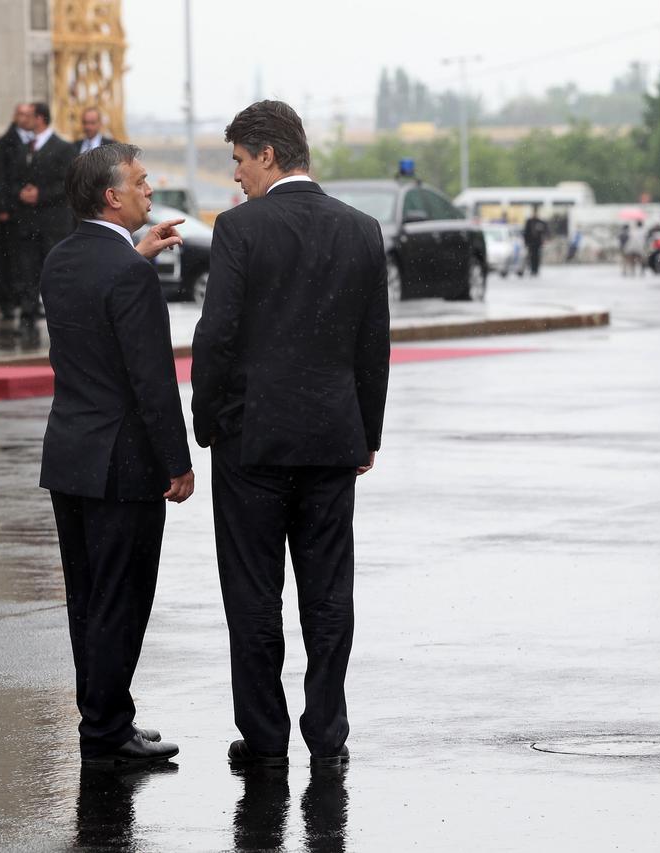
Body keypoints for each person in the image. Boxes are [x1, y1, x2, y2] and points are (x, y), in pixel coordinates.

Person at [191, 100, 390, 769]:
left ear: (268, 155)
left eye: (240, 161)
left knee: (253, 593)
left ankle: (265, 736)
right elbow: (373, 344)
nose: (236, 175)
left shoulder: (239, 229)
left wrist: (208, 423)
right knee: (329, 593)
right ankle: (327, 731)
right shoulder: (360, 229)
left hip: (252, 442)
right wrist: (367, 431)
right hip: (333, 439)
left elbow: (216, 336)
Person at [38, 143, 192, 766]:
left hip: (70, 454)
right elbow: (151, 379)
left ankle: (105, 719)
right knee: (121, 602)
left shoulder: (61, 258)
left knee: (87, 599)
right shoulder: (129, 274)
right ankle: (106, 733)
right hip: (122, 463)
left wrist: (134, 254)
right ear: (112, 196)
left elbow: (94, 314)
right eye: (140, 182)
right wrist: (178, 461)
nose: (149, 190)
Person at [12, 102, 75, 342]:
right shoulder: (24, 147)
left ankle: (62, 321)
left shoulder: (63, 148)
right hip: (28, 224)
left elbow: (67, 184)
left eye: (28, 116)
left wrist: (41, 194)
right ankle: (27, 316)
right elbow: (14, 178)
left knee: (56, 274)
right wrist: (20, 192)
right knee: (27, 272)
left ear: (40, 118)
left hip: (53, 225)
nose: (23, 120)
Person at [0, 103, 35, 329]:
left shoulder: (34, 141)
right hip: (12, 210)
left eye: (29, 115)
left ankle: (27, 301)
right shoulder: (5, 143)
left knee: (27, 261)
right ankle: (7, 302)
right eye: (22, 114)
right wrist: (2, 207)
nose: (26, 118)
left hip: (30, 212)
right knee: (9, 259)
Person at [522, 206, 548, 277]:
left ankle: (536, 269)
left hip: (538, 243)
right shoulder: (529, 222)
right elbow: (525, 232)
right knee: (531, 256)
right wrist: (526, 242)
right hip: (531, 242)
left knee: (537, 256)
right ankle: (532, 269)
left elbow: (545, 231)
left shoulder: (540, 222)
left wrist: (544, 239)